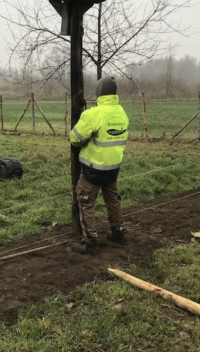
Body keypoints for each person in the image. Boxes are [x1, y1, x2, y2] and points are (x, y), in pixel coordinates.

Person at [70, 76, 129, 254]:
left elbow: (75, 138)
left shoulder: (93, 114)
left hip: (93, 169)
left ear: (98, 93)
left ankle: (90, 241)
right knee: (113, 200)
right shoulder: (121, 112)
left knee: (85, 201)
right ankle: (118, 232)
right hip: (113, 168)